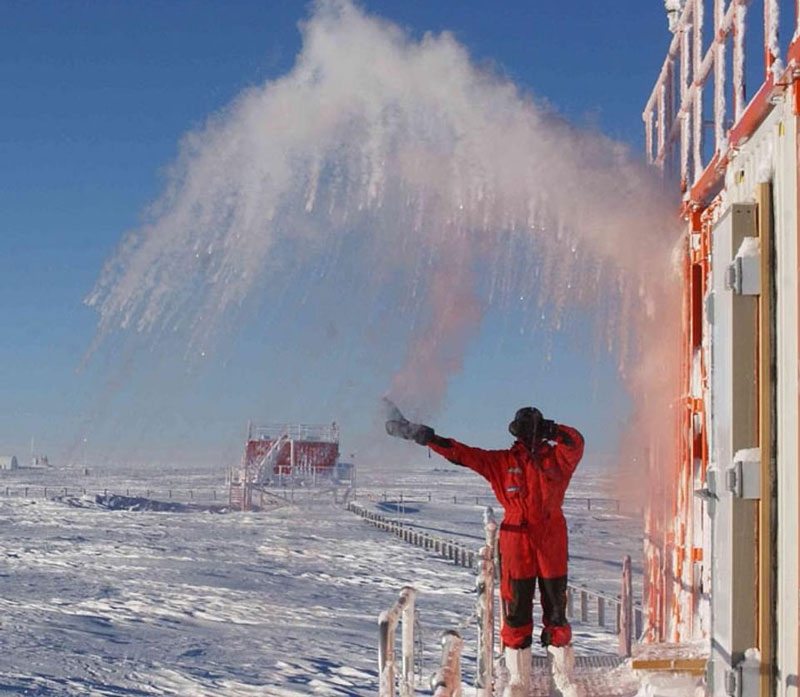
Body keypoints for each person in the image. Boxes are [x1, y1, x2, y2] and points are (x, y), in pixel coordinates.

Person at [386, 404, 584, 696]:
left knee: (556, 609)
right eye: (527, 427)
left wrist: (554, 430)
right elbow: (460, 453)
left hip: (551, 537)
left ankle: (563, 677)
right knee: (516, 610)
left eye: (537, 427)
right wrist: (422, 435)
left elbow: (576, 443)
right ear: (516, 431)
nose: (531, 433)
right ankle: (519, 680)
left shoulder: (557, 459)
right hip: (516, 541)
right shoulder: (502, 462)